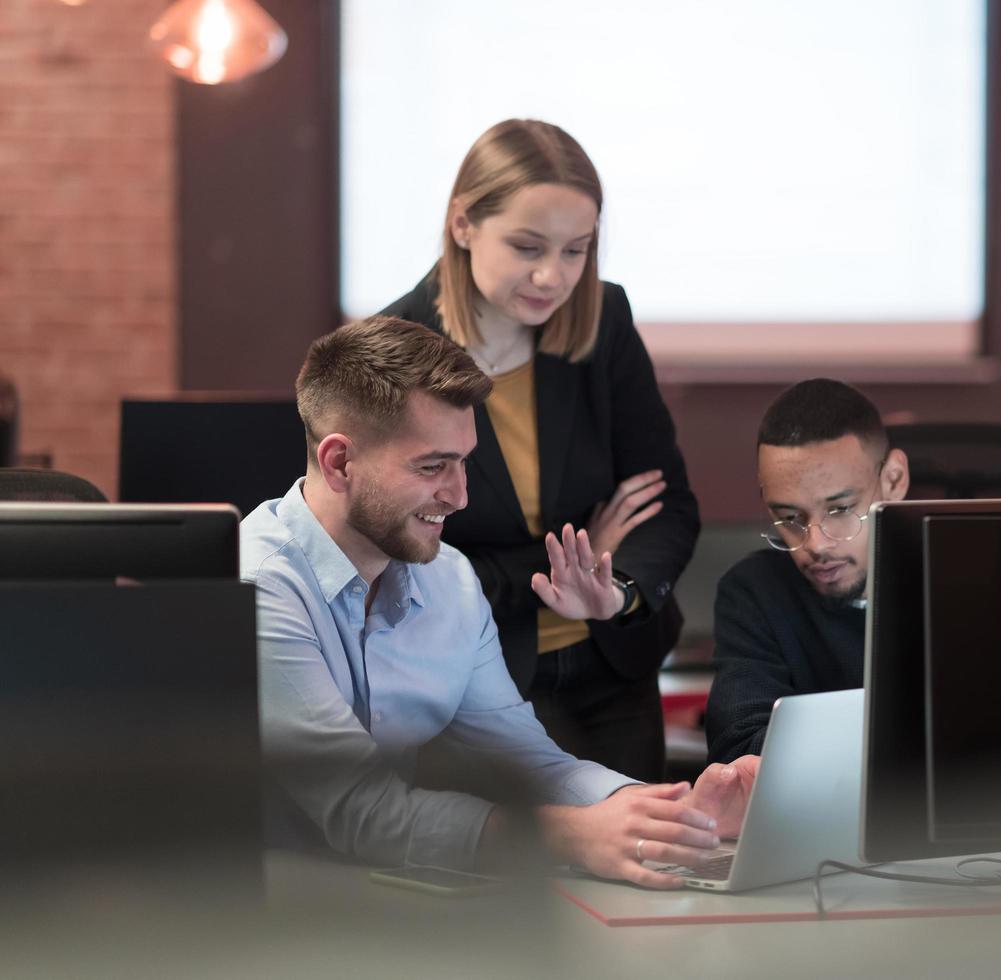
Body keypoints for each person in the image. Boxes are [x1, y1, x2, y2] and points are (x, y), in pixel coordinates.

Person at [242, 317, 752, 886]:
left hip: (394, 895)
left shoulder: (451, 580)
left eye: (465, 462)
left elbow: (530, 762)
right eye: (432, 466)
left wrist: (671, 815)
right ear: (340, 463)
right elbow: (361, 809)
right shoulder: (257, 586)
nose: (459, 496)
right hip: (260, 916)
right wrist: (561, 833)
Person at [379, 119, 697, 783]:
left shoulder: (604, 320)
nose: (554, 276)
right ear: (464, 223)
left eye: (576, 250)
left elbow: (666, 505)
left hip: (614, 673)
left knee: (641, 872)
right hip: (477, 687)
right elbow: (407, 566)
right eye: (528, 247)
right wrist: (572, 557)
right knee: (516, 883)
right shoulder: (391, 356)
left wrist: (616, 592)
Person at [705, 379, 909, 763]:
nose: (816, 545)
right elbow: (740, 753)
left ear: (893, 480)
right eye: (789, 517)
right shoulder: (755, 593)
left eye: (840, 509)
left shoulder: (963, 580)